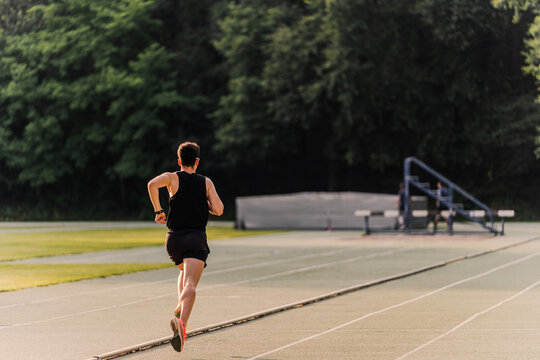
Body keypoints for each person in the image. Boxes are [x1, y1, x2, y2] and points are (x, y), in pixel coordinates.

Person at [147, 141, 224, 352]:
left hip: (174, 240)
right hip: (195, 238)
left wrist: (158, 211)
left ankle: (180, 309)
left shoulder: (172, 178)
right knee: (191, 283)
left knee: (183, 271)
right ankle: (182, 323)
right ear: (197, 161)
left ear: (179, 161)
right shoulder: (205, 182)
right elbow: (219, 209)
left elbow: (152, 185)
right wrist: (206, 203)